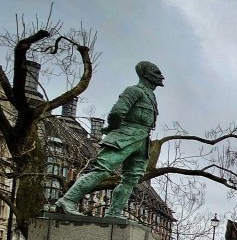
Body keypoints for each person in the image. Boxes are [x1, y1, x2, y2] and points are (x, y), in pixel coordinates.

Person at [54, 61, 164, 218]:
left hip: (142, 140)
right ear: (145, 74)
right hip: (125, 136)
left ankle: (114, 213)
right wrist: (114, 129)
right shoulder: (134, 91)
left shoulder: (151, 96)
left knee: (131, 179)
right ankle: (68, 200)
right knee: (102, 170)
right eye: (156, 72)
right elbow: (117, 112)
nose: (161, 77)